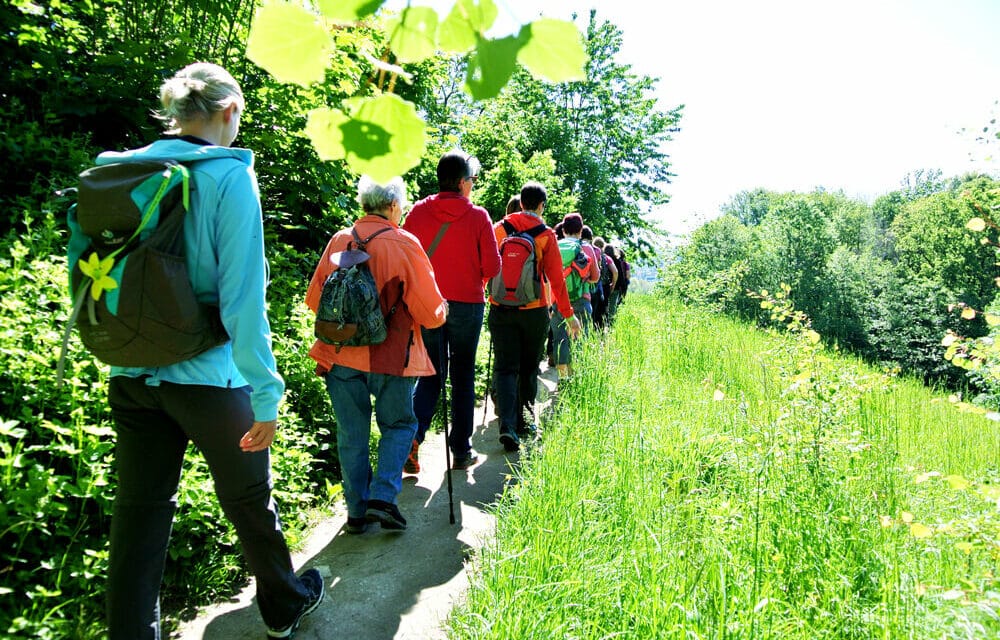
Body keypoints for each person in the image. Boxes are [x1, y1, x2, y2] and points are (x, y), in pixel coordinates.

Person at [94, 62, 323, 640]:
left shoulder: (127, 168)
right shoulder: (228, 178)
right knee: (249, 496)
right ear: (229, 112)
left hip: (130, 371)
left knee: (139, 518)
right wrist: (267, 392)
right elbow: (243, 301)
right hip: (208, 379)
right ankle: (282, 603)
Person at [306, 176, 447, 533]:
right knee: (399, 425)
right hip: (391, 357)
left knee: (351, 433)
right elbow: (431, 315)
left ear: (363, 203)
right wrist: (443, 310)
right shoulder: (404, 243)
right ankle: (383, 498)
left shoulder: (340, 240)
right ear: (394, 206)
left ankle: (356, 513)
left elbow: (314, 299)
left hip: (339, 354)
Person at [401, 151, 500, 472]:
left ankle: (412, 439)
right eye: (471, 179)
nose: (472, 185)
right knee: (462, 375)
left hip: (429, 304)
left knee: (430, 373)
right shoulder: (478, 217)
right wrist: (475, 279)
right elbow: (492, 266)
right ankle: (460, 450)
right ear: (461, 182)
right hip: (468, 305)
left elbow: (407, 258)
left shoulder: (417, 213)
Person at [488, 182, 581, 452]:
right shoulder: (545, 235)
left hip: (501, 307)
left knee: (505, 368)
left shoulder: (499, 229)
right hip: (534, 310)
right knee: (529, 368)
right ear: (541, 205)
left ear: (520, 202)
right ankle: (525, 423)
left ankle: (506, 424)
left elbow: (488, 267)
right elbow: (555, 279)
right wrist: (568, 314)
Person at [550, 213, 599, 379]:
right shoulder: (586, 248)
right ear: (581, 230)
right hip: (581, 299)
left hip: (558, 300)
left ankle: (563, 379)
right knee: (579, 339)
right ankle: (575, 380)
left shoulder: (555, 246)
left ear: (563, 230)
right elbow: (596, 277)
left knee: (560, 340)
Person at [591, 236, 619, 330]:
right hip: (605, 286)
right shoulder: (606, 258)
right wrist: (612, 285)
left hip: (591, 285)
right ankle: (601, 331)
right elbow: (615, 272)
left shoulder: (590, 254)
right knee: (602, 310)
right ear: (603, 246)